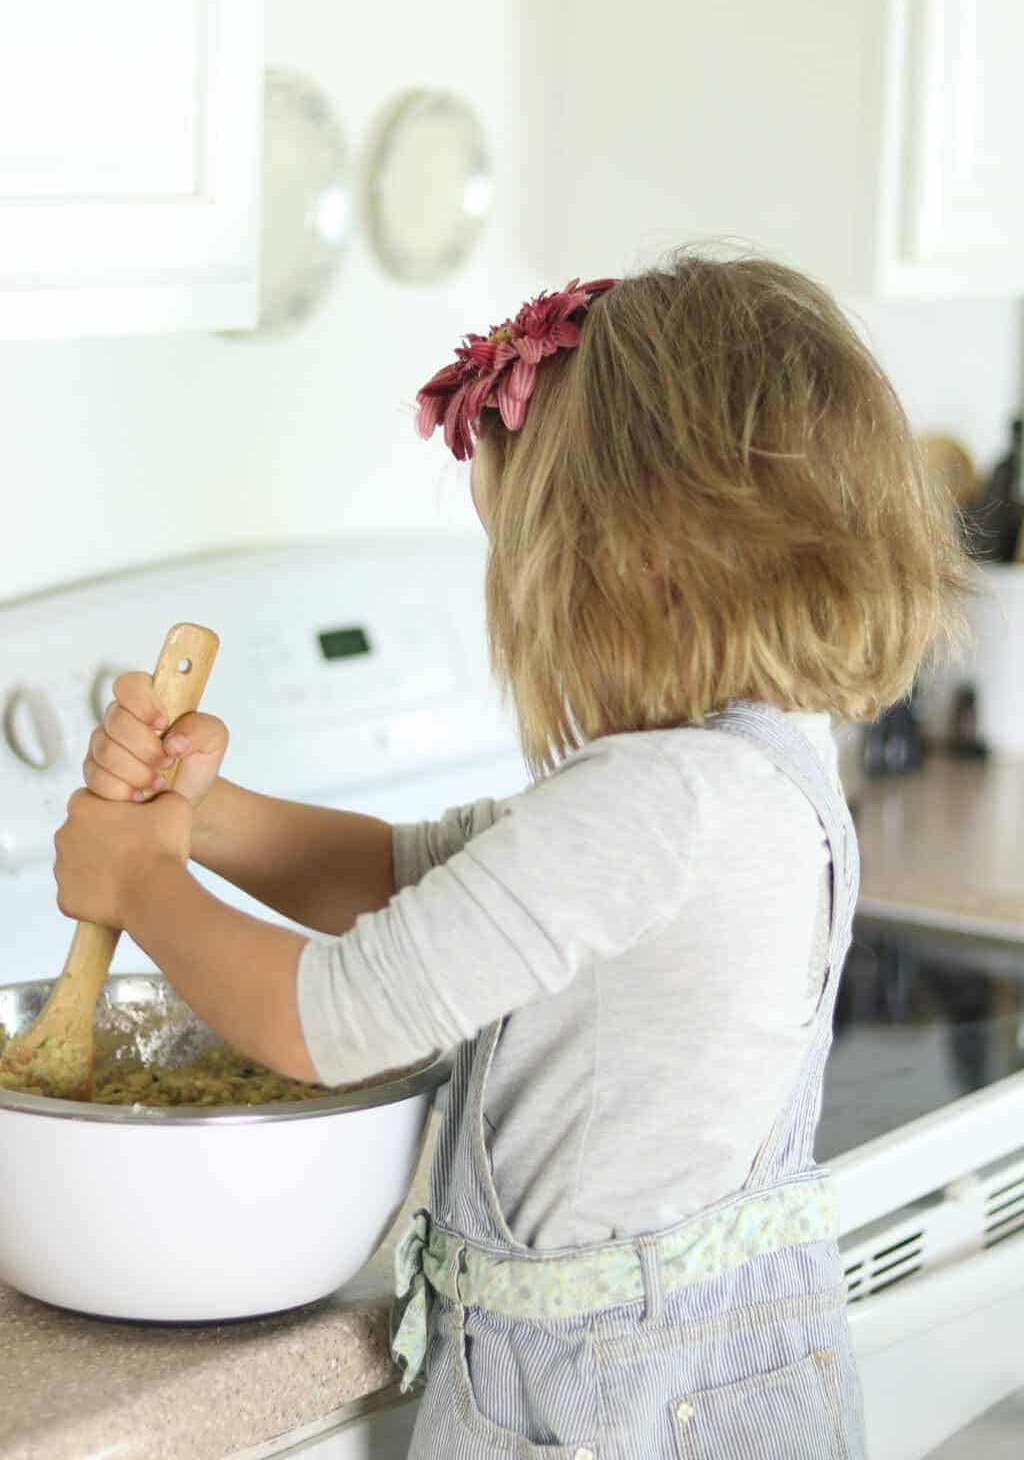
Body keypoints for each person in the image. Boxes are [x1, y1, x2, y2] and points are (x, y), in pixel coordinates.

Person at [55, 250, 971, 1458]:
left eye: (522, 562)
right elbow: (433, 877)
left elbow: (327, 1022)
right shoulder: (750, 763)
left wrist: (142, 885)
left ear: (638, 563)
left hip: (595, 1405)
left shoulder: (660, 803)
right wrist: (208, 812)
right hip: (695, 1379)